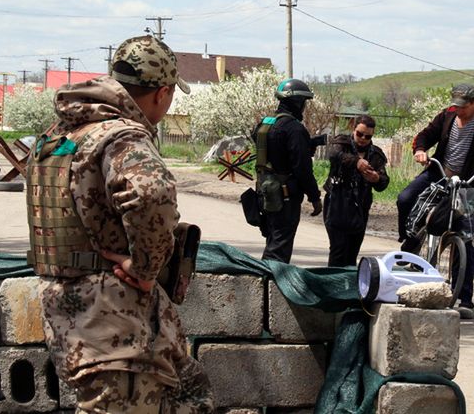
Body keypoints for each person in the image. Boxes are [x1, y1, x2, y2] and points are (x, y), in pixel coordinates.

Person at [26, 35, 214, 413]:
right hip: (116, 325)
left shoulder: (60, 135)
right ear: (162, 93)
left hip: (74, 317)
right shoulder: (122, 134)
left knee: (191, 393)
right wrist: (145, 269)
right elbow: (152, 194)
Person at [397, 83, 474, 319]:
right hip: (437, 173)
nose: (459, 111)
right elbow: (424, 135)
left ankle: (466, 300)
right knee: (405, 198)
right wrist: (421, 150)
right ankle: (410, 239)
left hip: (466, 183)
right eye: (456, 106)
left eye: (463, 107)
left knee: (465, 238)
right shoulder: (447, 115)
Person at [252, 78, 324, 263]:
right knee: (279, 251)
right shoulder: (294, 129)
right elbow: (302, 169)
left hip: (265, 193)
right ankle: (270, 286)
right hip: (284, 198)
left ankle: (265, 284)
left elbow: (275, 152)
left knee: (272, 241)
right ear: (298, 103)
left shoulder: (265, 124)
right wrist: (314, 197)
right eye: (304, 103)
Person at [323, 115, 389, 267]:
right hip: (337, 203)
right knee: (338, 251)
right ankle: (333, 286)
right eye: (360, 134)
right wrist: (356, 162)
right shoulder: (342, 143)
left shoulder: (376, 154)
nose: (363, 139)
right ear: (354, 129)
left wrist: (376, 179)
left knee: (352, 253)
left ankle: (349, 287)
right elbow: (334, 155)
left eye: (368, 136)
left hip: (360, 207)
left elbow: (383, 181)